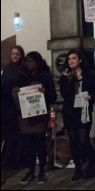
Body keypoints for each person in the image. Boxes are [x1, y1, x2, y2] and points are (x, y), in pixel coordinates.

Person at [13, 51, 57, 184]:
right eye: (27, 61)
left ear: (38, 63)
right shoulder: (21, 76)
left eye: (31, 61)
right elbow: (16, 94)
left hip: (40, 115)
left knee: (39, 143)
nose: (28, 64)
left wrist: (45, 93)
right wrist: (15, 92)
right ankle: (31, 171)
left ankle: (42, 171)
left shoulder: (45, 77)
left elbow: (53, 96)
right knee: (28, 145)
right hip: (25, 116)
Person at [59, 49, 95, 181]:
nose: (71, 61)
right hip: (70, 112)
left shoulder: (89, 74)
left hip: (84, 110)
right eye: (69, 59)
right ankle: (78, 168)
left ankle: (93, 163)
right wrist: (71, 80)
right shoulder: (65, 76)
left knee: (84, 140)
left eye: (74, 58)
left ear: (80, 60)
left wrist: (91, 97)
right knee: (74, 141)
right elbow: (64, 94)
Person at [1, 45, 25, 169]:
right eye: (12, 54)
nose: (14, 56)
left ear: (21, 56)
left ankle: (13, 160)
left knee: (15, 136)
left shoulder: (23, 70)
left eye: (17, 54)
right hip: (6, 106)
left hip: (18, 107)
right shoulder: (7, 69)